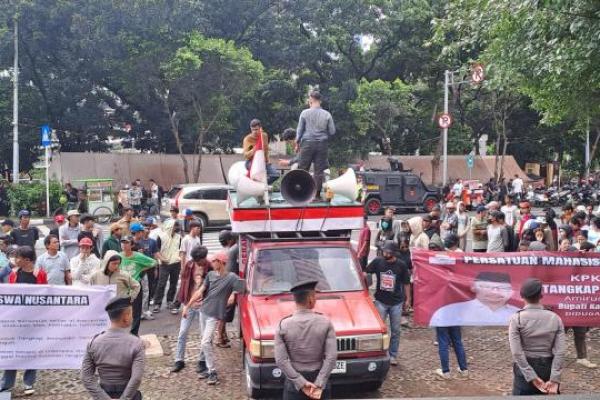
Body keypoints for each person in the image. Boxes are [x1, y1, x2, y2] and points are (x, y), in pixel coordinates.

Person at [274, 279, 337, 399]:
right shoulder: (325, 323)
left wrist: (301, 383)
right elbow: (331, 357)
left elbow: (281, 360)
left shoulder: (283, 325)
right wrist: (319, 383)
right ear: (311, 299)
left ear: (295, 299)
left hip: (294, 385)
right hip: (320, 381)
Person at [183, 251, 238, 385]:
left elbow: (242, 287)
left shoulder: (232, 277)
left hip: (214, 315)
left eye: (214, 261)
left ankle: (212, 371)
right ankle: (208, 368)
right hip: (204, 311)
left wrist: (234, 294)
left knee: (205, 342)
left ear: (221, 262)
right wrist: (187, 306)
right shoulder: (210, 275)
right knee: (205, 341)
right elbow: (200, 291)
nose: (211, 263)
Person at [1, 246, 47, 395]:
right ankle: (6, 384)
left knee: (31, 352)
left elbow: (45, 296)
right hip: (16, 321)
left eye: (18, 257)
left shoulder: (40, 274)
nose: (15, 260)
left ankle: (29, 382)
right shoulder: (13, 274)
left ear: (27, 260)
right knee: (12, 351)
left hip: (34, 321)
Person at [81, 296, 145, 400]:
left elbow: (86, 377)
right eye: (131, 314)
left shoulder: (93, 343)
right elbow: (136, 378)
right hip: (128, 393)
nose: (133, 317)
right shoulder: (136, 344)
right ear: (126, 317)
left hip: (103, 392)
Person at [509, 278, 565, 395]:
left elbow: (517, 352)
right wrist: (554, 379)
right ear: (541, 296)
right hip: (547, 369)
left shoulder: (516, 319)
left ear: (521, 296)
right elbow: (560, 352)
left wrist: (531, 376)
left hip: (524, 370)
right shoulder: (555, 318)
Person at [366, 240, 411, 367]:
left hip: (396, 302)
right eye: (384, 250)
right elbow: (366, 272)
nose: (385, 253)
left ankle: (393, 355)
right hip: (381, 301)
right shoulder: (378, 261)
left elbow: (406, 283)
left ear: (393, 253)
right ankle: (378, 352)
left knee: (396, 330)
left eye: (387, 251)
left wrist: (408, 299)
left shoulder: (401, 265)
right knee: (379, 329)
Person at [172, 246, 212, 373]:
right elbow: (183, 284)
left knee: (204, 335)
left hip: (204, 304)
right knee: (182, 332)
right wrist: (181, 302)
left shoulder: (210, 267)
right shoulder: (189, 266)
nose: (201, 262)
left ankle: (202, 361)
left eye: (202, 259)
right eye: (198, 260)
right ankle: (179, 360)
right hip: (189, 303)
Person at [434, 234, 469, 380]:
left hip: (442, 305)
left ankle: (446, 371)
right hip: (456, 304)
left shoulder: (441, 259)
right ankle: (464, 369)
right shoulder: (463, 259)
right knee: (456, 339)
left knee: (443, 340)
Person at [430, 272, 520, 326]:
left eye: (502, 288)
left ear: (511, 292)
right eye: (486, 287)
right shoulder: (449, 311)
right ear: (473, 287)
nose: (494, 292)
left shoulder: (518, 314)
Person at [296, 90, 336, 201]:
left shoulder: (304, 113)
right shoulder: (327, 114)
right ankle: (316, 196)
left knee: (303, 169)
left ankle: (301, 194)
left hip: (307, 143)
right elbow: (332, 131)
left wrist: (297, 142)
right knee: (319, 171)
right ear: (320, 100)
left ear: (311, 100)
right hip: (322, 144)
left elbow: (299, 131)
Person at [119, 236, 157, 336]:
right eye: (122, 242)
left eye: (127, 243)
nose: (124, 245)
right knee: (122, 311)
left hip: (135, 286)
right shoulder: (118, 256)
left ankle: (134, 333)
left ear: (131, 245)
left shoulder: (138, 256)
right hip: (122, 287)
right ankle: (122, 334)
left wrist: (141, 269)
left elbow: (153, 262)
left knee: (136, 311)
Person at [153, 220, 182, 313]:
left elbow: (180, 249)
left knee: (173, 283)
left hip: (176, 263)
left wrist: (179, 259)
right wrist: (162, 259)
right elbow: (156, 250)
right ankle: (157, 303)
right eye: (175, 225)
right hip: (164, 264)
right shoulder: (161, 237)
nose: (177, 227)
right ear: (170, 226)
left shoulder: (179, 237)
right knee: (161, 283)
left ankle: (170, 301)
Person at [136, 220, 161, 320]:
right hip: (139, 270)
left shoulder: (152, 241)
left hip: (150, 268)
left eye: (148, 228)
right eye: (144, 228)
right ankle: (139, 311)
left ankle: (145, 309)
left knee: (149, 289)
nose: (147, 230)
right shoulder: (136, 242)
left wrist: (155, 268)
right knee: (139, 291)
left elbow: (155, 255)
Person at [242, 119, 279, 184]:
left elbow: (266, 150)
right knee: (256, 172)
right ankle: (251, 183)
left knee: (275, 175)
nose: (254, 132)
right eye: (252, 130)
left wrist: (267, 161)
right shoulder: (247, 139)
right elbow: (246, 155)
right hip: (251, 161)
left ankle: (262, 184)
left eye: (256, 129)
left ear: (260, 128)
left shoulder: (264, 135)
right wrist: (254, 150)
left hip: (263, 161)